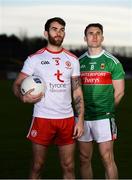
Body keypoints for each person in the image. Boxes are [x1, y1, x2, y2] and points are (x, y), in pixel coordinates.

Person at [13, 17, 84, 179]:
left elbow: (77, 92)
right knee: (37, 166)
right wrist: (23, 98)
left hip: (66, 119)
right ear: (46, 33)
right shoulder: (34, 59)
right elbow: (17, 84)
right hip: (42, 118)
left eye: (62, 29)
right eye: (54, 29)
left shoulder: (72, 59)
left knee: (69, 166)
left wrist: (79, 119)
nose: (58, 33)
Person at [78, 23, 125, 179]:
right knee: (84, 159)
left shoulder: (113, 62)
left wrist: (108, 111)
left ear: (102, 37)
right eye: (91, 33)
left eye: (98, 33)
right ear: (85, 38)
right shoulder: (78, 63)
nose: (95, 36)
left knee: (107, 159)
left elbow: (119, 92)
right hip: (82, 118)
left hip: (104, 117)